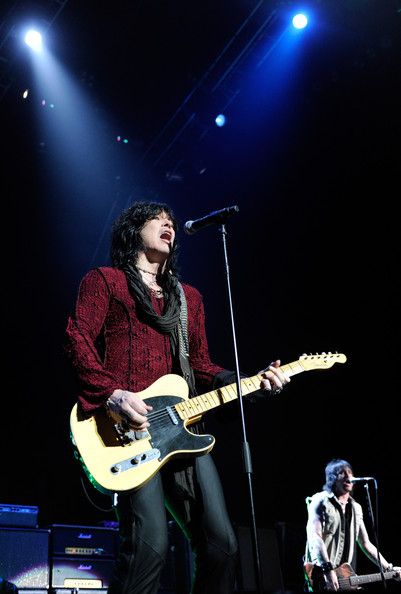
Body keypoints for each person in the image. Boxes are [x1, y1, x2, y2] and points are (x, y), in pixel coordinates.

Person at [65, 200, 290, 594]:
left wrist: (249, 382)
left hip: (185, 428)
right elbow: (77, 337)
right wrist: (111, 394)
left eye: (171, 220)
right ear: (134, 231)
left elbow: (201, 366)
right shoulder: (105, 281)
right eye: (157, 220)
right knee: (149, 547)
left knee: (222, 545)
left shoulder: (188, 299)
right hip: (128, 428)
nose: (168, 224)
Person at [304, 458, 401, 592]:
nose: (348, 475)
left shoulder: (356, 508)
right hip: (321, 574)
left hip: (344, 576)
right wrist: (328, 569)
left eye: (349, 472)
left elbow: (365, 543)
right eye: (342, 473)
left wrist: (388, 568)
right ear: (332, 479)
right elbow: (315, 537)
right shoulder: (320, 501)